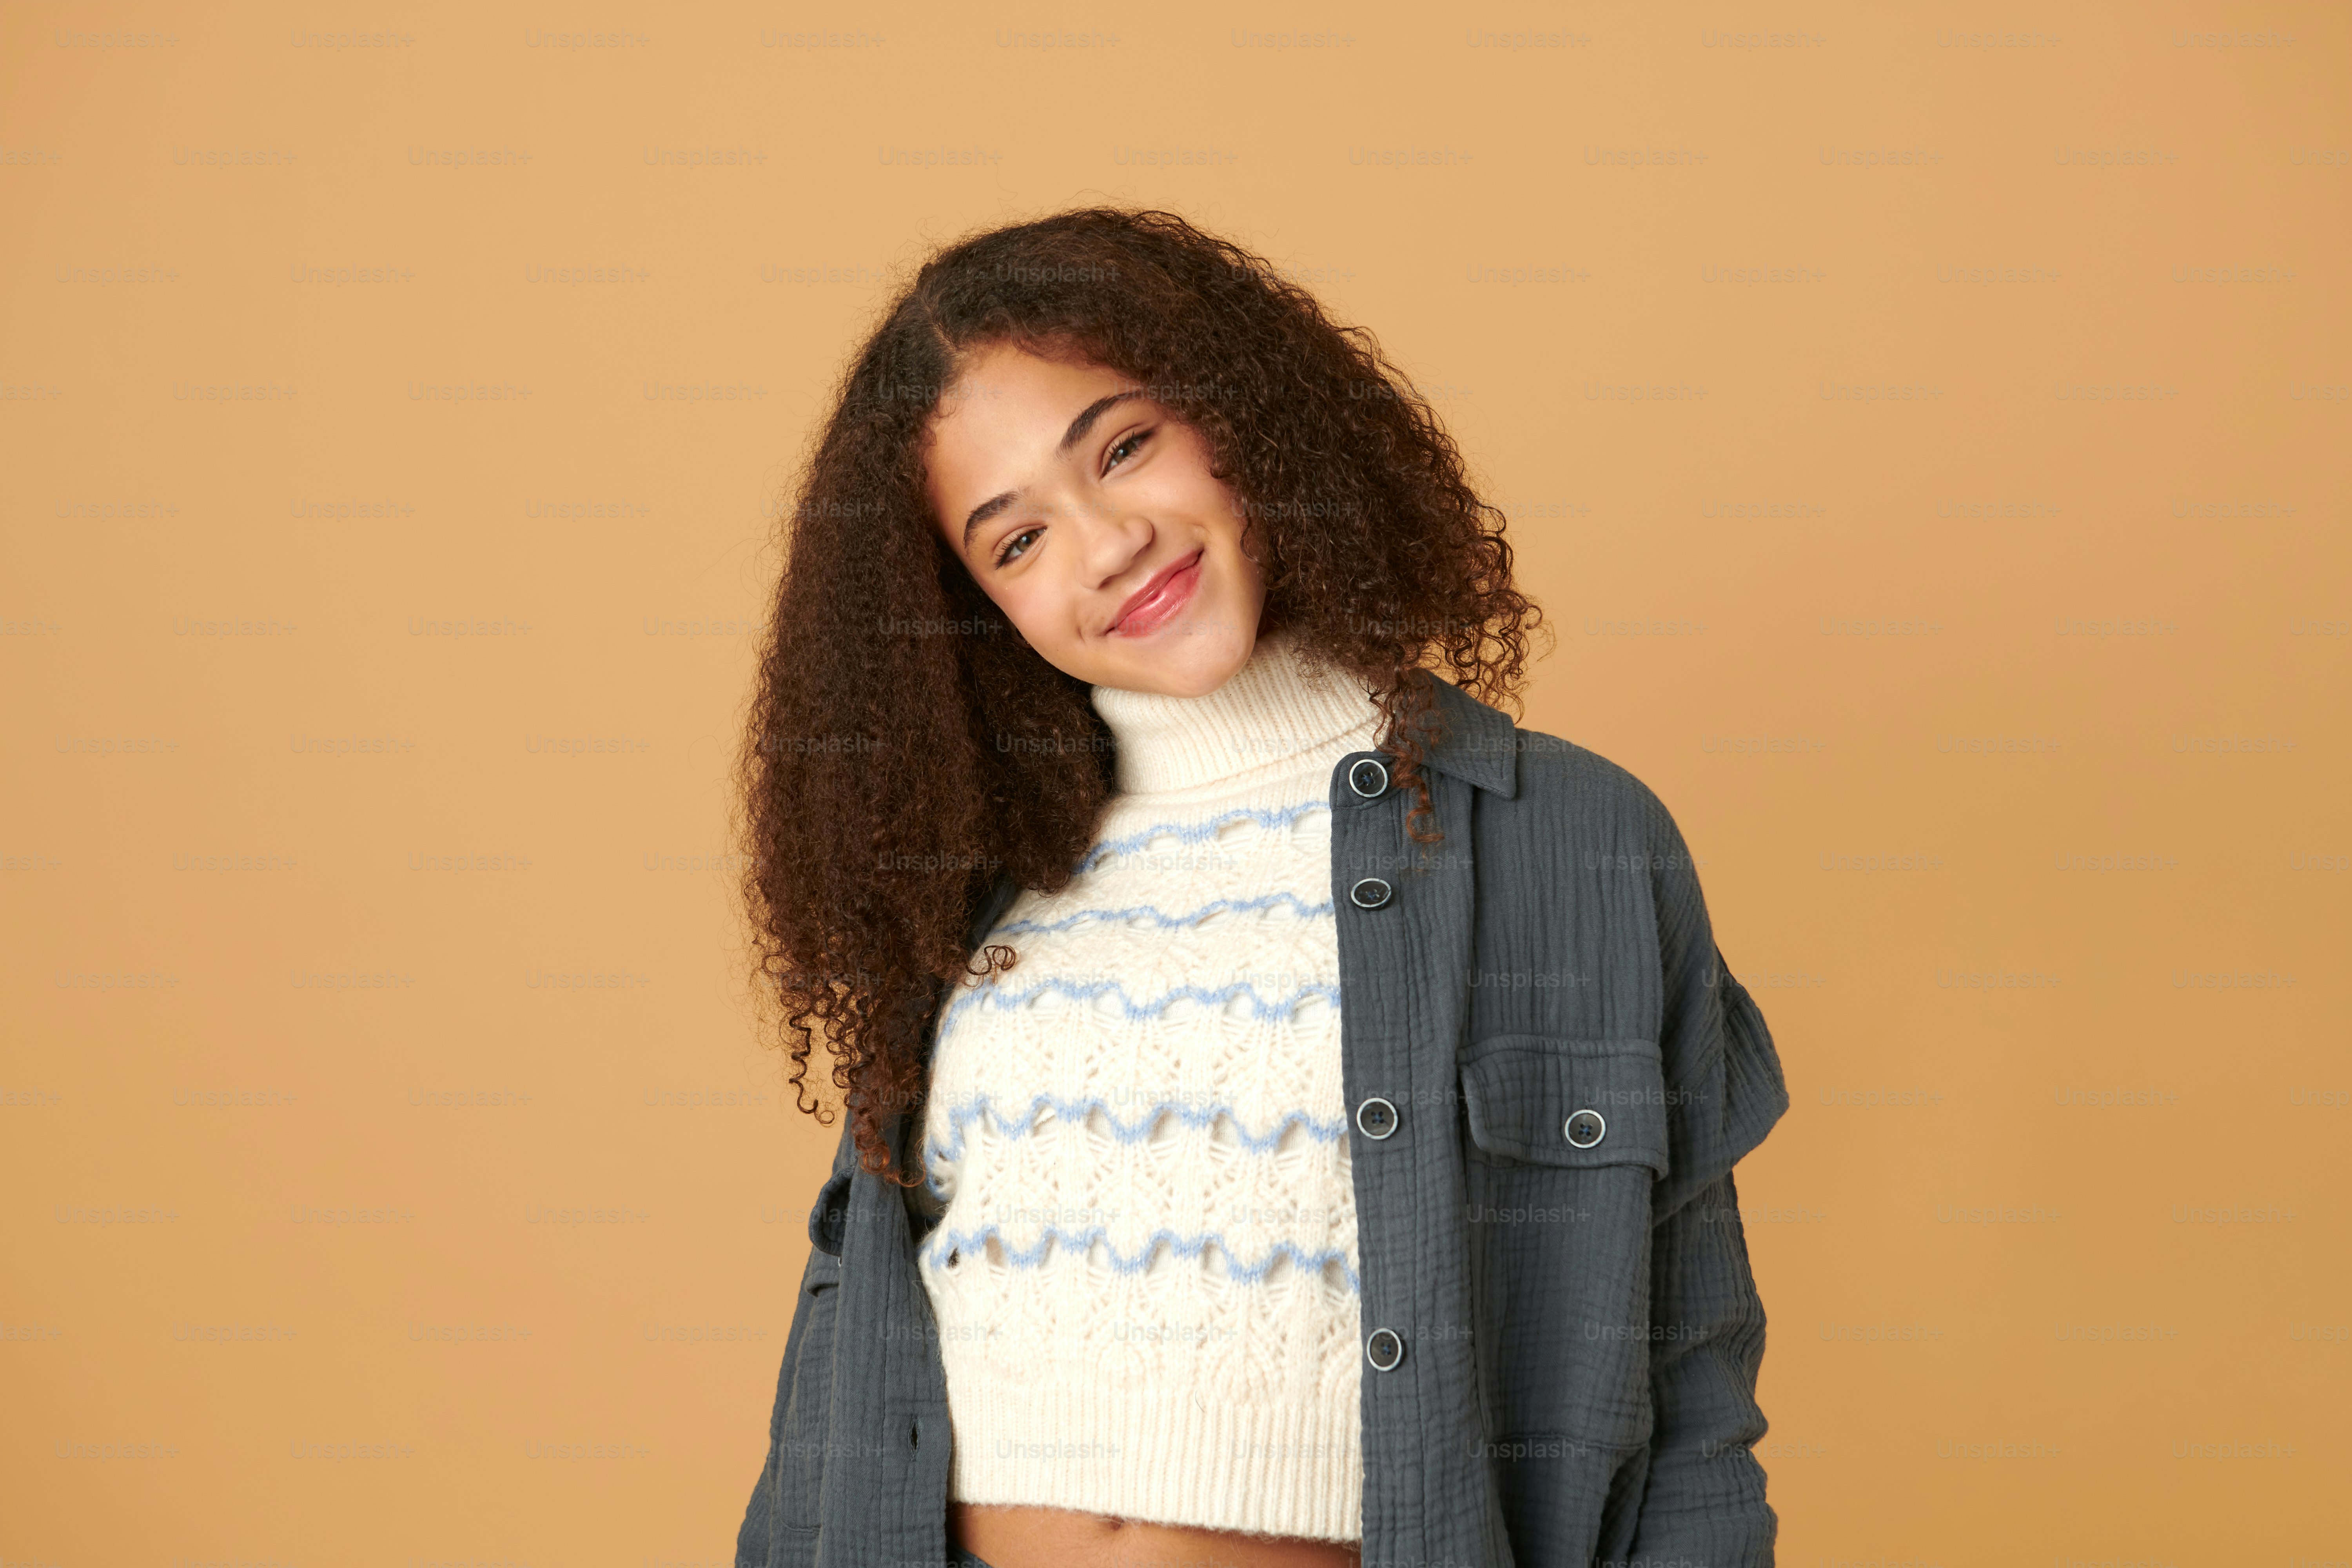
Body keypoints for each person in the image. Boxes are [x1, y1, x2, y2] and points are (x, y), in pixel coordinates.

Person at [734, 208, 1791, 1568]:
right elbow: (834, 1379)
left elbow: (1694, 1394)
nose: (1108, 544)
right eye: (1016, 542)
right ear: (968, 615)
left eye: (1124, 447)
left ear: (1242, 414)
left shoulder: (1573, 843)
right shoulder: (962, 898)